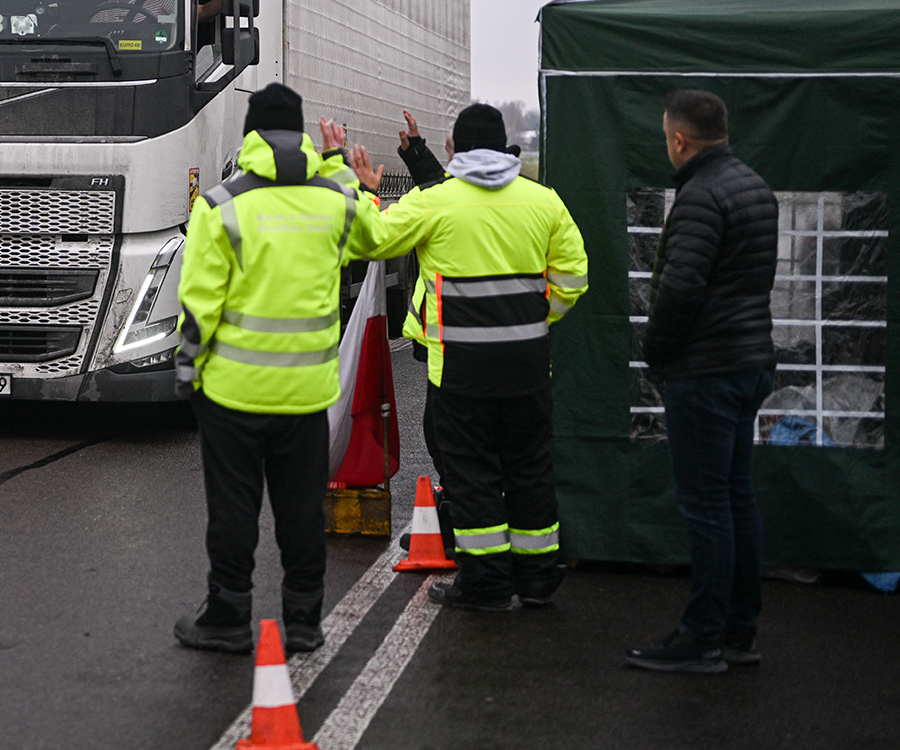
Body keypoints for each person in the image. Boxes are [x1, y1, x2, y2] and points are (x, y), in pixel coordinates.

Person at [173, 83, 389, 655]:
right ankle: (302, 621)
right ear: (300, 136)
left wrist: (187, 371)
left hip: (231, 393)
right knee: (300, 509)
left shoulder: (220, 207)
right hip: (305, 393)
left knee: (233, 509)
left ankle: (228, 617)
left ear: (250, 136)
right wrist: (344, 170)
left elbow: (199, 305)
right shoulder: (335, 205)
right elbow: (373, 235)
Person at [354, 103, 589, 611]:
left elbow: (371, 239)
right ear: (504, 145)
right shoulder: (543, 200)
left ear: (455, 148)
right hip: (527, 365)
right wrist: (530, 320)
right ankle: (538, 577)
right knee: (529, 469)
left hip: (460, 370)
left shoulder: (438, 202)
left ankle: (486, 585)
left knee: (473, 474)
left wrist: (369, 193)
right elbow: (574, 276)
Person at [626, 90, 778, 674]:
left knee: (706, 506)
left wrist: (657, 352)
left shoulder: (698, 197)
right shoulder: (753, 187)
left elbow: (680, 289)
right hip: (749, 364)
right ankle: (739, 631)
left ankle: (702, 636)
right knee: (738, 498)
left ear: (679, 139)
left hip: (706, 370)